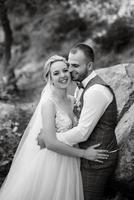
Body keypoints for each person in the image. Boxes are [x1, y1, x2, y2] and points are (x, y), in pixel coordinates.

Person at [0, 55, 109, 200]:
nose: (62, 76)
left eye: (65, 70)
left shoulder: (73, 100)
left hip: (72, 160)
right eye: (56, 73)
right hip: (53, 162)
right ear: (49, 78)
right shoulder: (48, 103)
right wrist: (85, 154)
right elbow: (50, 143)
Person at [38, 44, 119, 200]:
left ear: (89, 66)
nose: (69, 70)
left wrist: (51, 139)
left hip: (98, 159)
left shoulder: (96, 91)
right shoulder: (79, 88)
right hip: (81, 156)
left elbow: (82, 133)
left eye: (75, 65)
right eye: (69, 64)